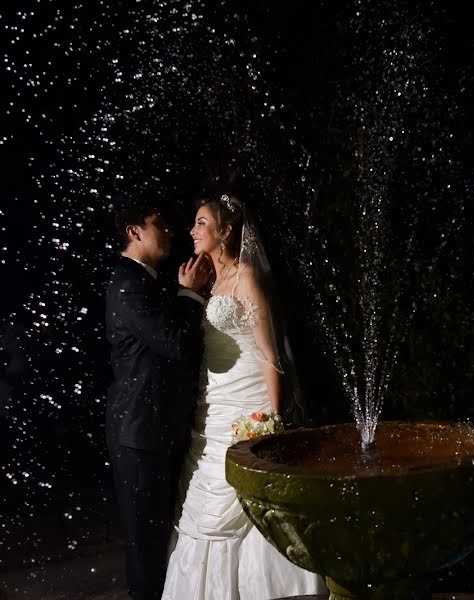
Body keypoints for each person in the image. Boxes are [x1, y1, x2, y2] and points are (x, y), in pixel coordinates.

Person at [162, 194, 326, 600]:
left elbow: (271, 356)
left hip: (248, 402)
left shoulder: (248, 276)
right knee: (204, 494)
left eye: (201, 223)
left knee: (249, 492)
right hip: (212, 403)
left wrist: (271, 417)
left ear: (226, 231)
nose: (192, 231)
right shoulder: (211, 282)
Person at [105, 200, 212, 599]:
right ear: (135, 231)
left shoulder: (145, 280)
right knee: (146, 545)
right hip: (139, 432)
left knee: (158, 537)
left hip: (154, 427)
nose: (169, 231)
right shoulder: (127, 283)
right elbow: (177, 344)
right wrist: (188, 296)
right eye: (159, 224)